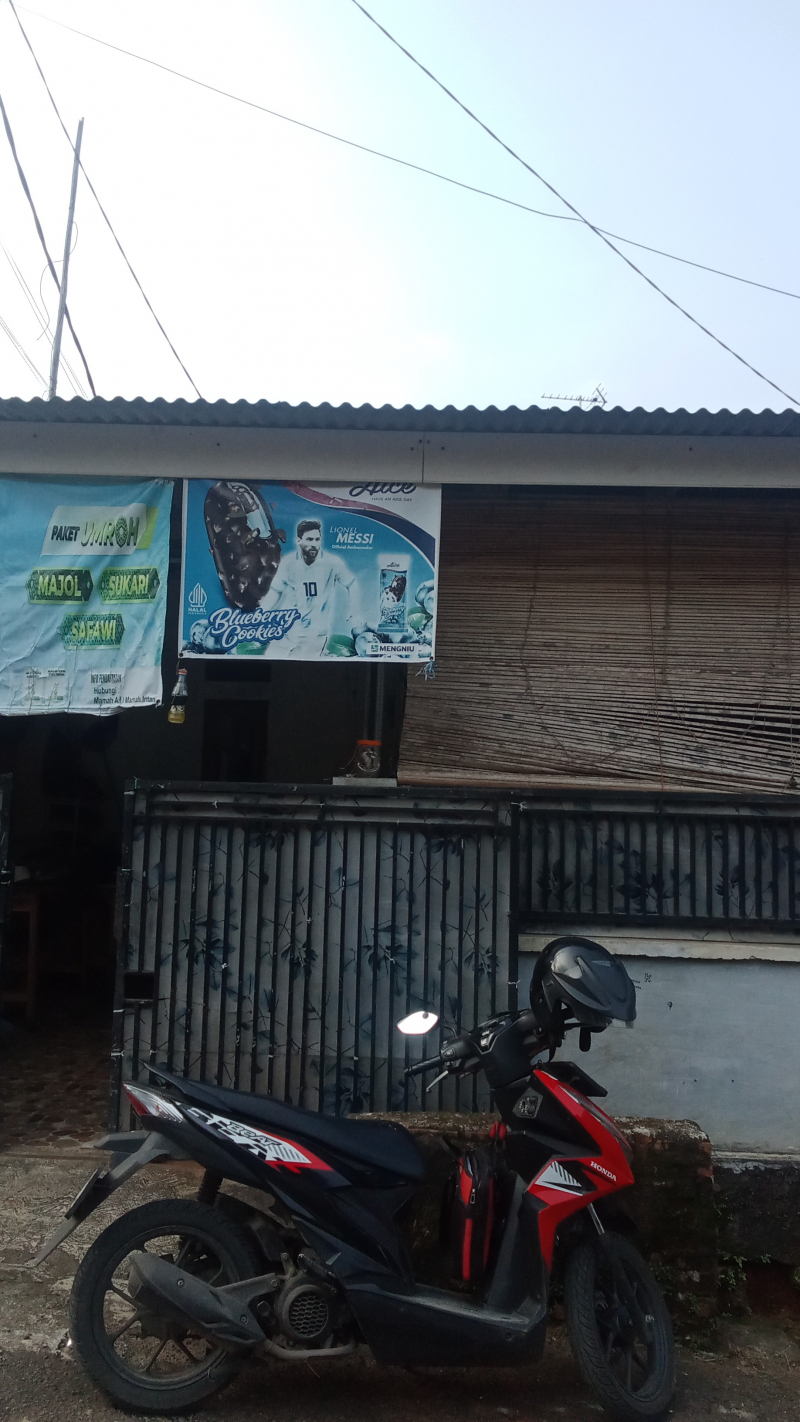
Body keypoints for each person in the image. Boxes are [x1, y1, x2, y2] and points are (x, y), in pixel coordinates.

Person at [261, 518, 360, 657]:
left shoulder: (333, 562)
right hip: (287, 631)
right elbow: (276, 591)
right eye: (309, 539)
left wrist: (354, 610)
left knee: (297, 667)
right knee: (269, 659)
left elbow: (351, 583)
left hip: (314, 635)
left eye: (317, 539)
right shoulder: (289, 562)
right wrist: (261, 613)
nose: (314, 544)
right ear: (298, 541)